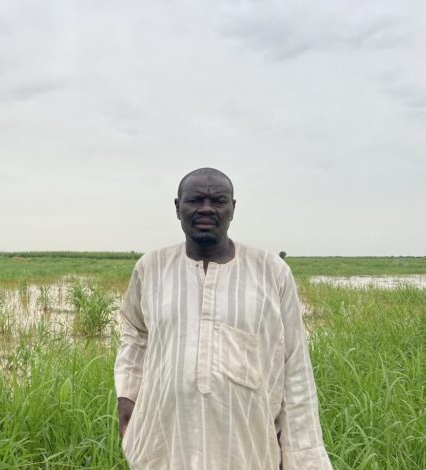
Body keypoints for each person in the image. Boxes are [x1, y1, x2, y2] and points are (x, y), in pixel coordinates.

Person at [114, 168, 332, 469]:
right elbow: (135, 332)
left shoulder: (271, 271)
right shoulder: (150, 268)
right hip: (167, 437)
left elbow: (294, 363)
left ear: (232, 209)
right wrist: (127, 392)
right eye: (195, 200)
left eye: (218, 200)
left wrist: (299, 452)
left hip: (246, 442)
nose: (206, 208)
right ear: (178, 208)